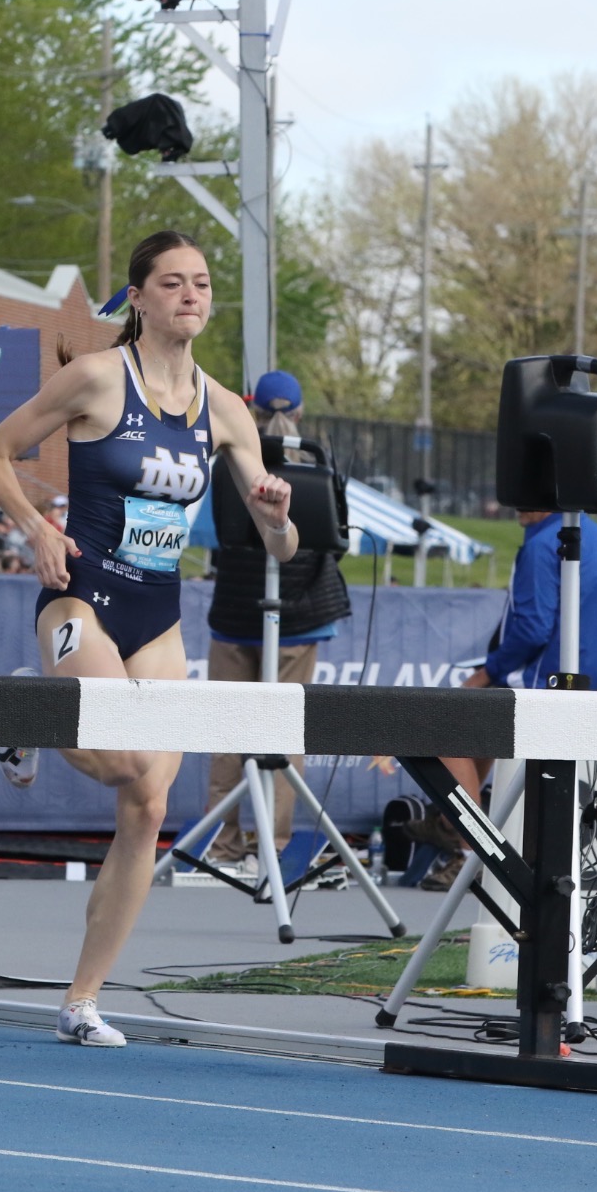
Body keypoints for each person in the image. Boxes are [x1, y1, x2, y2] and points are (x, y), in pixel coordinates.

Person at [0, 231, 296, 1049]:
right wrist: (35, 526)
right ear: (140, 298)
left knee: (148, 804)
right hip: (81, 592)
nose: (191, 295)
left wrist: (278, 517)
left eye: (203, 283)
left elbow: (281, 546)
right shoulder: (95, 377)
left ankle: (82, 998)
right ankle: (29, 710)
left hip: (156, 611)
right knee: (120, 759)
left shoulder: (226, 409)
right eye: (173, 282)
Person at [421, 507, 597, 889]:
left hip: (551, 693)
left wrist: (486, 673)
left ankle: (470, 850)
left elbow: (532, 628)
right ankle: (453, 824)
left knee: (443, 725)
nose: (514, 505)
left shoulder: (545, 544)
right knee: (477, 726)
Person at [200, 370, 350, 877]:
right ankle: (275, 847)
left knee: (226, 732)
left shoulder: (229, 464)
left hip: (233, 613)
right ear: (301, 413)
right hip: (301, 616)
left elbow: (217, 536)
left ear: (252, 411)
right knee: (283, 735)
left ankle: (223, 846)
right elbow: (336, 542)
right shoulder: (319, 467)